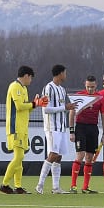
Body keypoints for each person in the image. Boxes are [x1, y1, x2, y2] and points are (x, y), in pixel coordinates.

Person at [1, 65, 45, 194]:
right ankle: (4, 184)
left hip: (23, 128)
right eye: (31, 78)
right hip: (15, 128)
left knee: (20, 157)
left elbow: (26, 108)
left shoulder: (23, 88)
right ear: (26, 76)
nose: (31, 81)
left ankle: (18, 186)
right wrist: (34, 104)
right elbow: (19, 106)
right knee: (19, 156)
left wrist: (35, 104)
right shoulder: (15, 87)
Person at [38, 64, 76, 194]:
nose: (66, 75)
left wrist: (67, 108)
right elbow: (46, 109)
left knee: (59, 156)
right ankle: (40, 185)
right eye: (65, 73)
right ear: (60, 74)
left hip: (61, 127)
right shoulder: (48, 88)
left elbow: (62, 108)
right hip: (52, 127)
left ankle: (56, 187)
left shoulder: (62, 89)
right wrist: (65, 107)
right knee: (53, 154)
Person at [71, 75, 102, 193]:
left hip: (93, 129)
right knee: (80, 155)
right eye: (88, 87)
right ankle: (73, 186)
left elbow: (103, 116)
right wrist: (71, 131)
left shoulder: (100, 98)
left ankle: (85, 187)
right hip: (80, 127)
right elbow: (72, 113)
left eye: (92, 87)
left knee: (89, 158)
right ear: (85, 84)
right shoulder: (79, 96)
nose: (90, 89)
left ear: (96, 86)